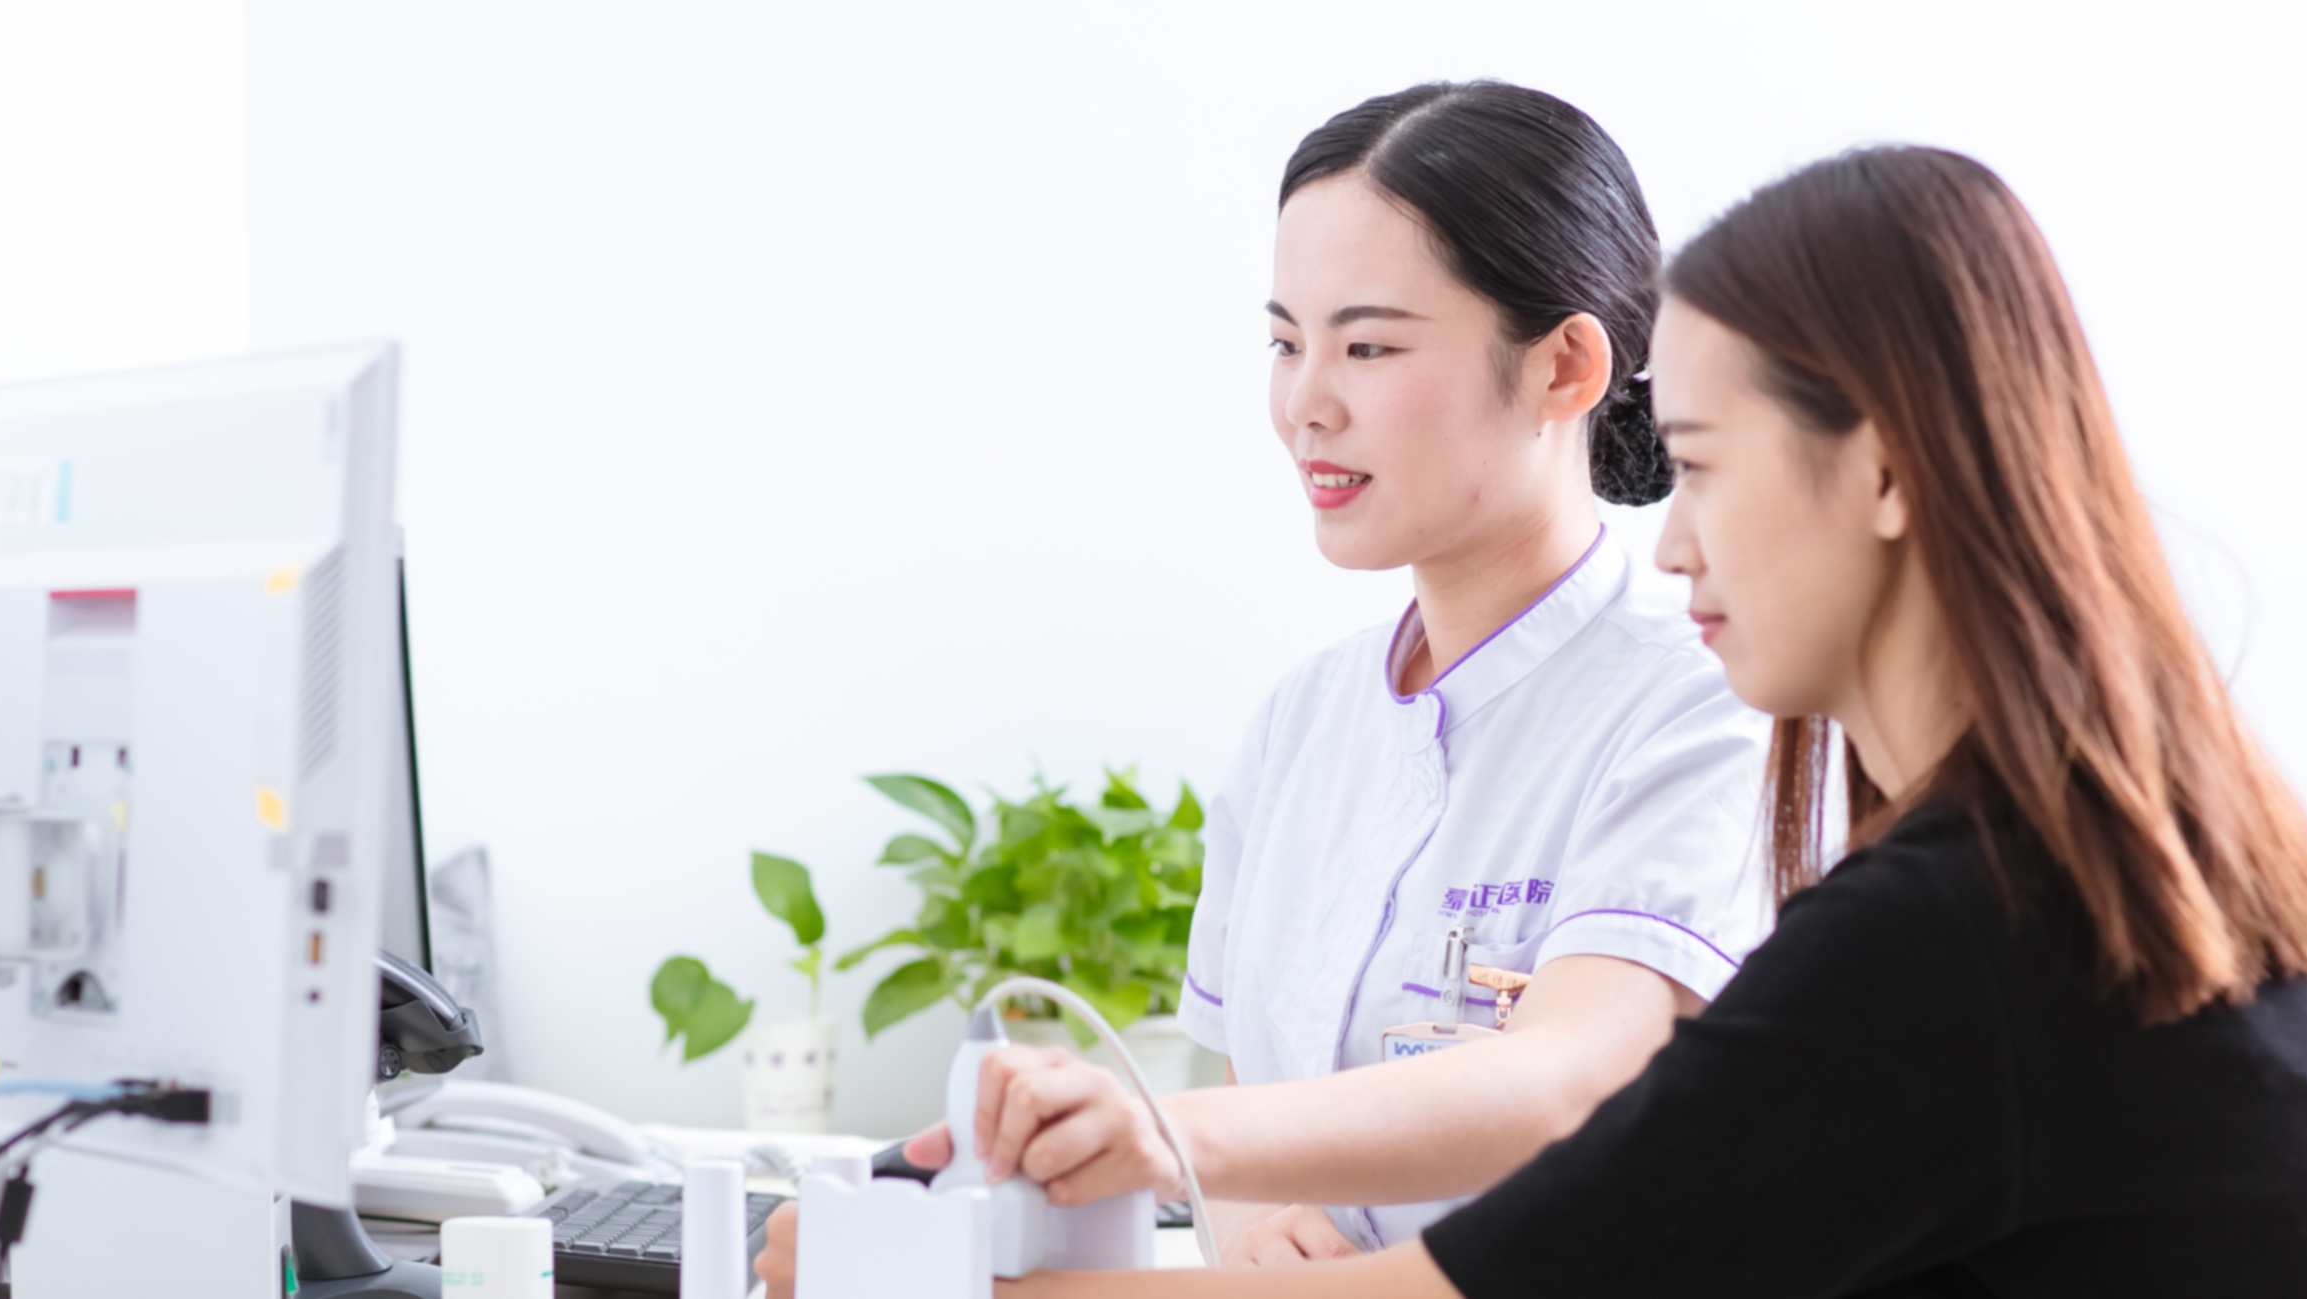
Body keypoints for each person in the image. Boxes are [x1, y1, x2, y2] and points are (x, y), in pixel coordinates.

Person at [996, 144, 2307, 1297]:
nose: (1674, 543)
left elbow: (1523, 1210)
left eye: (1701, 467)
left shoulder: (1961, 923)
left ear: (1883, 471)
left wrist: (977, 1260)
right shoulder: (2053, 863)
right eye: (1284, 341)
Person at [758, 80, 1775, 1290]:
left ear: (1562, 367)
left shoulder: (1700, 706)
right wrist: (1258, 1233)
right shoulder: (1303, 725)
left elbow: (1573, 1079)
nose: (1306, 405)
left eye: (1368, 346)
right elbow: (1249, 1115)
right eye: (1286, 344)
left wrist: (1163, 1138)